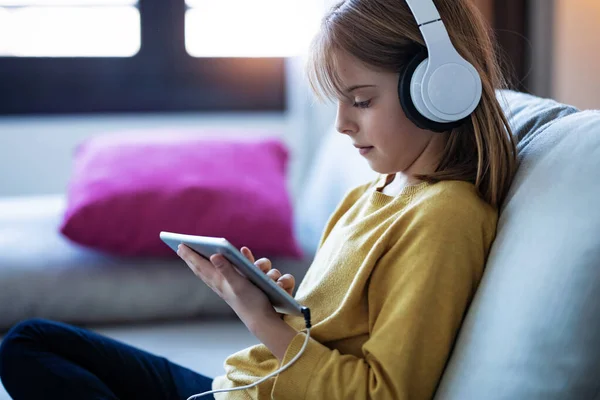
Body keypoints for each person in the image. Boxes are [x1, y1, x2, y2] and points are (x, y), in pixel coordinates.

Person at [0, 0, 517, 399]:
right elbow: (334, 332)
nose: (341, 124)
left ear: (439, 89)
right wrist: (284, 307)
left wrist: (260, 320)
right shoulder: (373, 192)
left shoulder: (446, 217)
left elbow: (376, 392)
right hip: (242, 387)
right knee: (31, 341)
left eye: (361, 100)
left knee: (28, 349)